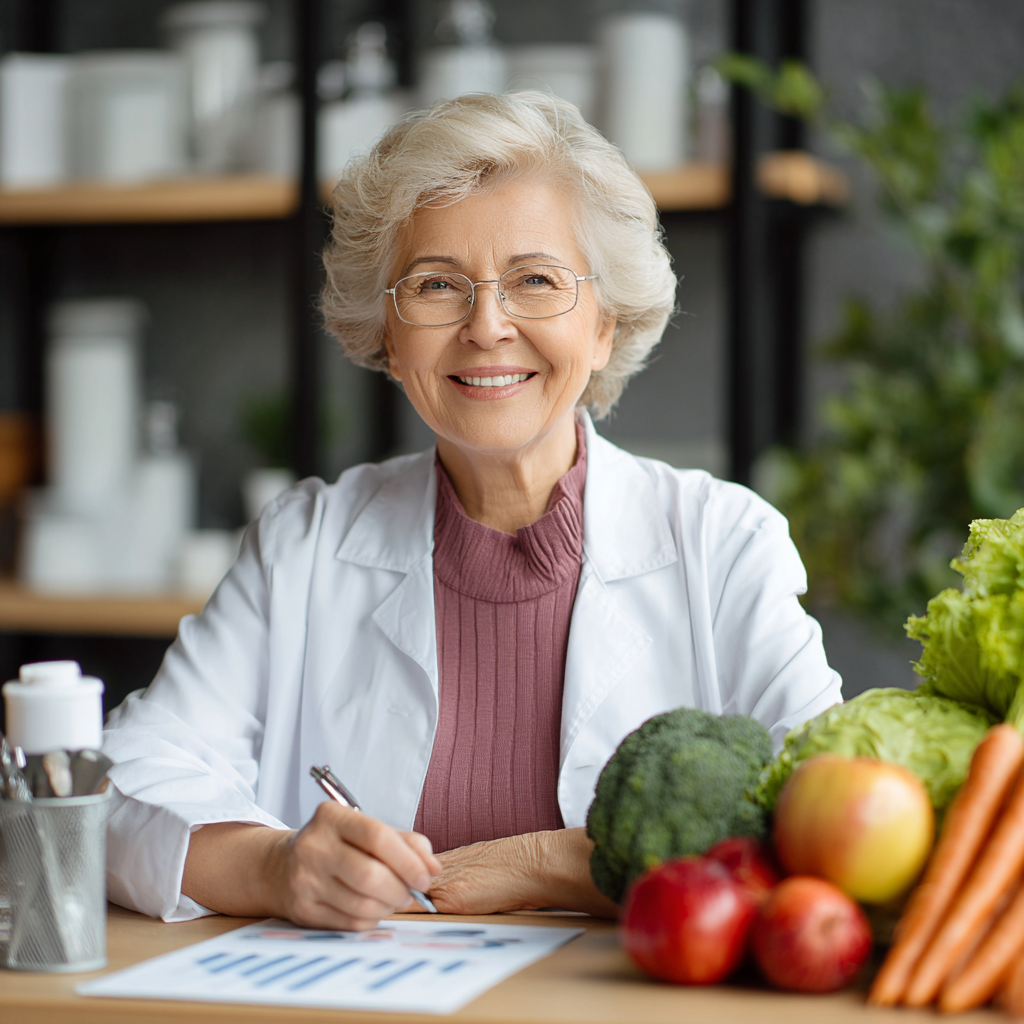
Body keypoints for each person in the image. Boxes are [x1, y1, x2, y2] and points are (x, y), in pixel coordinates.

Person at [102, 91, 842, 929]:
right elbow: (121, 782)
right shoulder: (303, 543)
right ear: (386, 333)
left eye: (535, 280)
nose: (487, 326)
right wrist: (274, 868)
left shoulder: (721, 540)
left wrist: (551, 860)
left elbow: (832, 815)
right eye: (435, 285)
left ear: (604, 325)